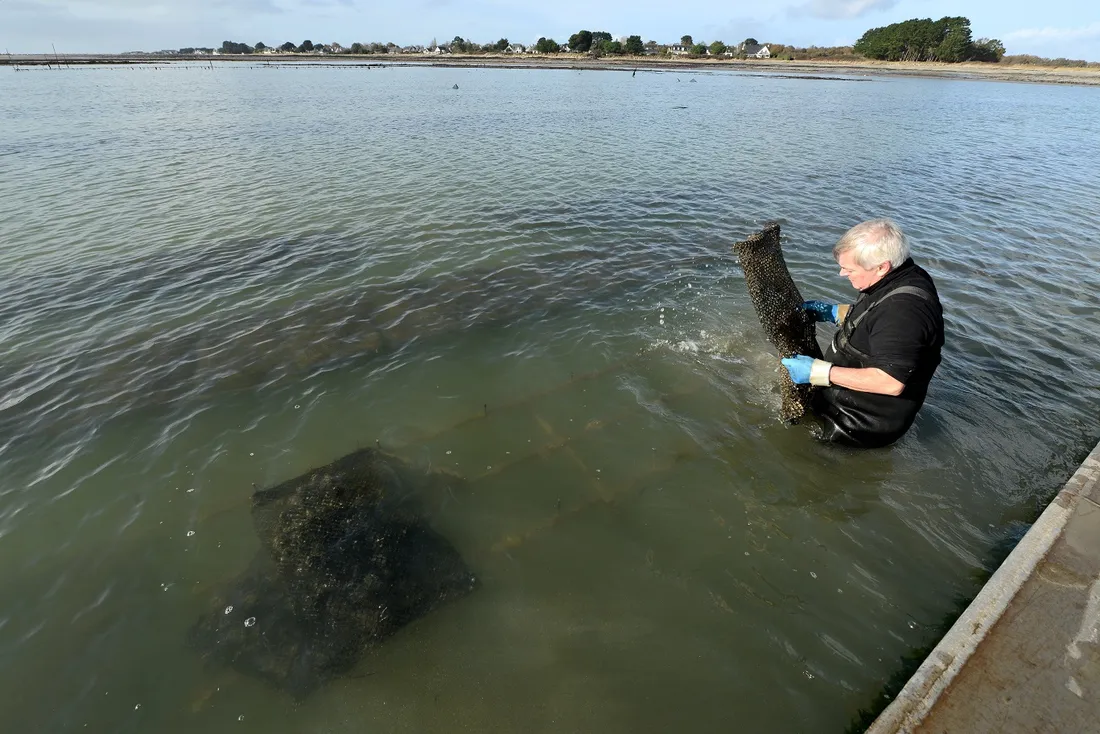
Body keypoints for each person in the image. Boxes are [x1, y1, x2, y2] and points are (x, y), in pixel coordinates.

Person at [781, 219, 944, 448]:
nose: (841, 273)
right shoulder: (902, 274)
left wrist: (818, 372)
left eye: (849, 269)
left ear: (881, 267)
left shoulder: (905, 313)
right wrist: (837, 313)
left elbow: (890, 382)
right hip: (841, 402)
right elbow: (879, 317)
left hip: (856, 426)